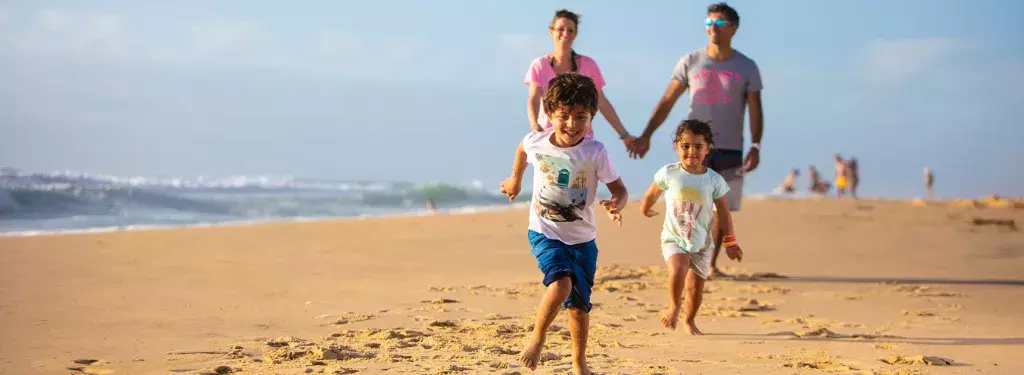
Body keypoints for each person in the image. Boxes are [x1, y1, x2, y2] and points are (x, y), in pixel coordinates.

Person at [500, 73, 628, 375]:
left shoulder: (595, 152)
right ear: (549, 114)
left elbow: (619, 190)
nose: (572, 124)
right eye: (564, 116)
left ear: (591, 116)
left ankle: (578, 361)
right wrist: (515, 180)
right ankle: (537, 337)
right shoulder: (537, 142)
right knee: (561, 283)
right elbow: (522, 150)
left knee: (579, 306)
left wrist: (615, 205)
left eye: (580, 117)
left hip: (583, 238)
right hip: (545, 232)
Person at [628, 2, 762, 278]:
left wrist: (756, 145)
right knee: (692, 203)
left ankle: (707, 264)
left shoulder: (746, 67)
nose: (713, 28)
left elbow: (755, 108)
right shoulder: (691, 61)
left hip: (731, 147)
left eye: (720, 24)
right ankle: (686, 254)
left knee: (722, 207)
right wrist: (646, 135)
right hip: (694, 148)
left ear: (733, 29)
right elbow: (667, 100)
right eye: (709, 23)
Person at [639, 119, 743, 335]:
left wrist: (730, 241)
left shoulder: (714, 180)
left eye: (698, 146)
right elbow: (652, 193)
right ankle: (674, 306)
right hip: (674, 237)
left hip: (702, 243)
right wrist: (645, 209)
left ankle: (690, 319)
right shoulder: (669, 172)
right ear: (677, 146)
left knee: (695, 288)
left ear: (707, 149)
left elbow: (723, 212)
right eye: (685, 146)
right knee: (678, 268)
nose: (691, 151)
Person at [524, 9, 634, 149]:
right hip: (549, 139)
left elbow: (602, 103)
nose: (565, 34)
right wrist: (534, 125)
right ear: (551, 31)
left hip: (581, 140)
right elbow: (533, 98)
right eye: (560, 29)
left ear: (575, 34)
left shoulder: (588, 65)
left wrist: (625, 135)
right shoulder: (539, 65)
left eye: (570, 30)